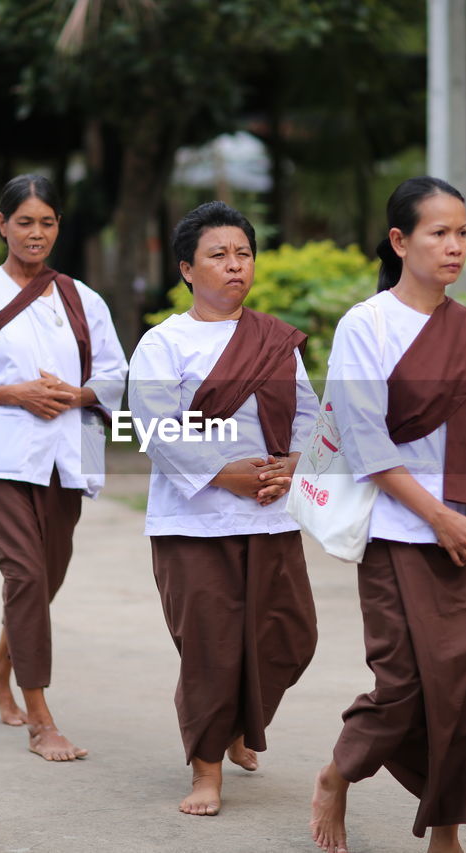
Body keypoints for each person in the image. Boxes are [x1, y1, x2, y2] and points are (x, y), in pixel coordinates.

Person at [310, 177, 466, 853]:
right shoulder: (365, 326)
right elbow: (365, 440)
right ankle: (339, 772)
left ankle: (445, 830)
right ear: (400, 241)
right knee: (404, 684)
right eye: (439, 232)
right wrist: (440, 518)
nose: (455, 246)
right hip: (400, 531)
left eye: (461, 232)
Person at [128, 201, 319, 816]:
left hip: (271, 514)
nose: (234, 266)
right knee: (210, 647)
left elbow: (314, 421)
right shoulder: (164, 343)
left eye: (243, 253)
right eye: (218, 255)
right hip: (194, 522)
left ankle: (239, 724)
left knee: (291, 636)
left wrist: (291, 467)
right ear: (187, 268)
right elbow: (152, 428)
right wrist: (223, 474)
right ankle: (206, 771)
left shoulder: (277, 342)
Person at [0, 174, 127, 762]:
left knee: (48, 576)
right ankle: (41, 717)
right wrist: (16, 393)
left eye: (47, 222)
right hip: (1, 454)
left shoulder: (81, 298)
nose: (36, 233)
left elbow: (115, 376)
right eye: (25, 222)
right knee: (25, 575)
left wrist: (76, 394)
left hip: (69, 456)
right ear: (1, 225)